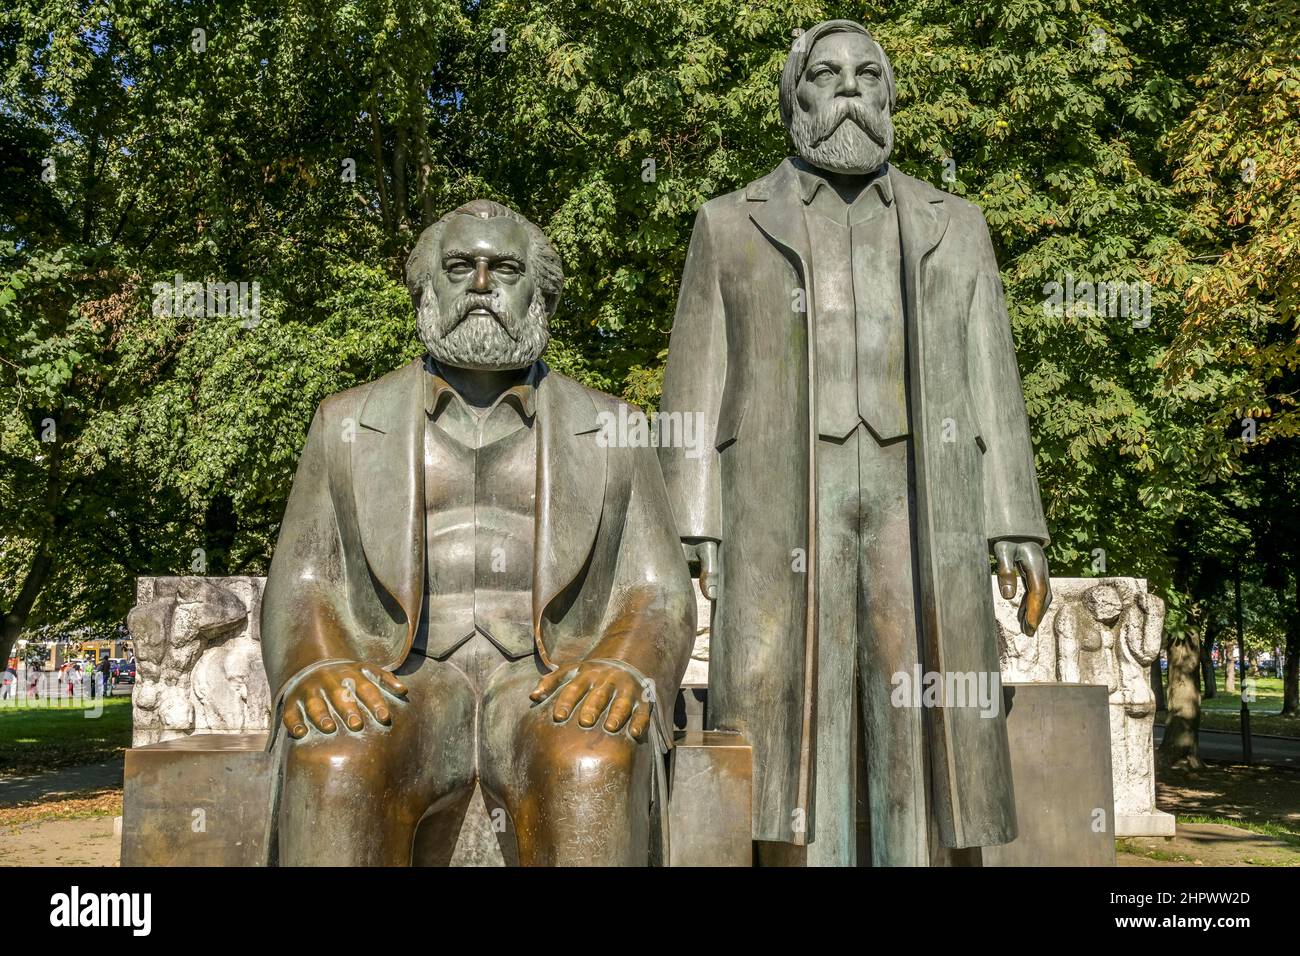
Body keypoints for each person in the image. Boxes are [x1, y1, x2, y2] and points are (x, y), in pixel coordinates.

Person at [658, 19, 1053, 866]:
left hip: (923, 488)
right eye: (827, 73)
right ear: (794, 97)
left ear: (889, 97)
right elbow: (695, 374)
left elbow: (993, 373)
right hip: (777, 487)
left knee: (913, 694)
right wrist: (691, 521)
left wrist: (1014, 516)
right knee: (780, 692)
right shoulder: (728, 223)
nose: (848, 88)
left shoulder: (957, 223)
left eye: (867, 75)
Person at [262, 198, 694, 866]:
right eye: (461, 266)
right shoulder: (344, 423)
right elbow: (305, 580)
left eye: (505, 268)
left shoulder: (615, 427)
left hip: (546, 682)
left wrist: (623, 662)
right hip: (403, 681)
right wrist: (318, 664)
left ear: (538, 291)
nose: (483, 285)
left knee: (590, 758)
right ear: (426, 287)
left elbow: (655, 587)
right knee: (337, 757)